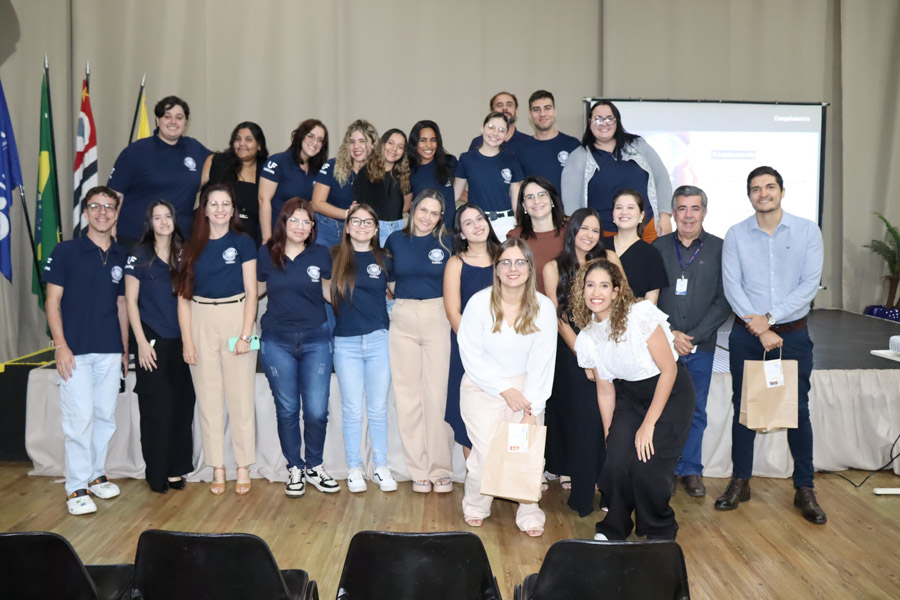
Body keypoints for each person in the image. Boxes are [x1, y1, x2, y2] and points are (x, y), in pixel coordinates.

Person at [717, 166, 826, 524]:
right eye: (756, 188)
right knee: (744, 407)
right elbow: (732, 287)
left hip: (792, 335)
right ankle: (741, 481)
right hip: (747, 335)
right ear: (749, 195)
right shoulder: (736, 234)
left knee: (798, 411)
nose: (763, 193)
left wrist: (771, 319)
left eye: (769, 187)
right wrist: (760, 327)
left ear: (782, 191)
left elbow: (809, 285)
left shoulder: (807, 231)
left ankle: (804, 487)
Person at [572, 259, 695, 541]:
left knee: (646, 466)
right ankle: (615, 526)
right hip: (630, 396)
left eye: (604, 285)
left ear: (616, 291)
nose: (596, 292)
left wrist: (648, 424)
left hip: (670, 392)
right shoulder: (588, 336)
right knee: (615, 462)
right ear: (582, 290)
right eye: (590, 285)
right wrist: (610, 436)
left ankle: (660, 529)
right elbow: (605, 390)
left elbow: (669, 370)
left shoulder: (640, 314)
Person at [458, 238, 558, 537]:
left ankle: (529, 511)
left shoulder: (543, 307)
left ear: (530, 268)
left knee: (524, 453)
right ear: (497, 269)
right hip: (482, 386)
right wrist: (504, 390)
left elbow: (543, 362)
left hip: (528, 389)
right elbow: (471, 355)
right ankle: (476, 505)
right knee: (486, 453)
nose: (513, 268)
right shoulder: (479, 303)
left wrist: (532, 410)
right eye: (506, 262)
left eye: (519, 262)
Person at [44, 186, 129, 515]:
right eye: (95, 206)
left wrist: (124, 350)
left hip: (109, 350)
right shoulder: (66, 251)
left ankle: (95, 475)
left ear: (116, 214)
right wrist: (61, 346)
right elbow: (52, 302)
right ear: (85, 212)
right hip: (74, 351)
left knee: (105, 416)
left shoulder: (122, 255)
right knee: (79, 419)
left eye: (109, 207)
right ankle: (76, 487)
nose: (102, 212)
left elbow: (121, 305)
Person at [176, 184, 258, 496]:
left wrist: (246, 334)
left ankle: (243, 466)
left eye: (226, 204)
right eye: (214, 204)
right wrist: (188, 340)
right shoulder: (190, 246)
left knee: (241, 398)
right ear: (205, 209)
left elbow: (252, 292)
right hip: (200, 319)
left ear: (233, 209)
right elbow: (183, 298)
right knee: (208, 399)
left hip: (237, 317)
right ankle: (217, 467)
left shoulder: (244, 242)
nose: (220, 209)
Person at [653, 185, 732, 497]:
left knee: (696, 409)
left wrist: (693, 337)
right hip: (662, 345)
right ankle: (664, 469)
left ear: (704, 212)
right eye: (682, 208)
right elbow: (647, 299)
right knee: (662, 408)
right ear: (673, 213)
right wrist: (669, 334)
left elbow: (724, 300)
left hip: (701, 346)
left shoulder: (721, 249)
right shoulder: (658, 247)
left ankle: (690, 470)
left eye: (694, 208)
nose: (688, 215)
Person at [258, 198, 339, 498]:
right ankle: (295, 466)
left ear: (312, 227)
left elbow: (330, 292)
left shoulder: (320, 254)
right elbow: (255, 291)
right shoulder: (267, 253)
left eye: (307, 222)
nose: (300, 226)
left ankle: (314, 466)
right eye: (295, 220)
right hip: (276, 341)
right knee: (288, 408)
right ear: (284, 222)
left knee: (316, 410)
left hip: (316, 339)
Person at [542, 208, 621, 516]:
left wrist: (606, 354)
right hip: (572, 352)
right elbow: (559, 319)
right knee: (584, 424)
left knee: (610, 424)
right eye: (583, 228)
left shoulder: (609, 259)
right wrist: (585, 359)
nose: (589, 235)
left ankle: (611, 489)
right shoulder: (553, 267)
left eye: (595, 230)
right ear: (572, 230)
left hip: (608, 348)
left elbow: (623, 302)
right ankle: (582, 495)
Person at [124, 200, 195, 494]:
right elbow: (130, 302)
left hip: (183, 342)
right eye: (157, 217)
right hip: (152, 342)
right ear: (149, 223)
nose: (164, 222)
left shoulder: (184, 253)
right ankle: (157, 473)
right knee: (158, 409)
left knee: (182, 407)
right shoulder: (139, 255)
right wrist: (140, 342)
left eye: (168, 216)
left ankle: (176, 469)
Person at [326, 204, 398, 494]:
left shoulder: (384, 258)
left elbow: (397, 293)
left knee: (378, 408)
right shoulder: (334, 256)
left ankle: (380, 466)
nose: (362, 226)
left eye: (368, 222)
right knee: (353, 408)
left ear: (376, 228)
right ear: (347, 227)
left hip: (379, 341)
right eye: (356, 221)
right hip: (346, 343)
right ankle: (354, 468)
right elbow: (324, 290)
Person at [385, 190, 454, 493]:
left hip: (438, 314)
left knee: (437, 396)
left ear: (441, 217)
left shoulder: (448, 243)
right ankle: (418, 469)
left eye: (434, 213)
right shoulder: (395, 240)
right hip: (403, 316)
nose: (427, 217)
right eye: (423, 210)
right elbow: (388, 281)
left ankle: (441, 468)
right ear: (412, 209)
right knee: (408, 397)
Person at [560, 100, 672, 241]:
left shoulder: (638, 145)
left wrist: (665, 215)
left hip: (648, 228)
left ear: (617, 121)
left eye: (609, 118)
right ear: (589, 122)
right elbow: (571, 204)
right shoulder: (578, 156)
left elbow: (661, 177)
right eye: (598, 119)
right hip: (604, 234)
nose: (604, 123)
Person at [108, 96, 210, 248]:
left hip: (179, 240)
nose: (173, 122)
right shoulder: (136, 151)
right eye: (167, 116)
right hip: (136, 238)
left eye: (179, 117)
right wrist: (111, 229)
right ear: (157, 120)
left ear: (185, 122)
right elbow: (115, 194)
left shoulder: (195, 148)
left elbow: (219, 163)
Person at [443, 205, 501, 457]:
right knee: (468, 413)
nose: (477, 225)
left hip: (506, 349)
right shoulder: (456, 263)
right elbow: (453, 312)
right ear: (461, 233)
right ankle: (474, 475)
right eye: (468, 223)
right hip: (468, 350)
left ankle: (502, 474)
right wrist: (475, 348)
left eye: (480, 218)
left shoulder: (505, 257)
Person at [454, 112, 524, 239]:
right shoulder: (466, 159)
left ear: (506, 135)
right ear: (482, 128)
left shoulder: (511, 161)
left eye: (501, 130)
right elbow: (455, 194)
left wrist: (521, 226)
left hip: (506, 224)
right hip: (477, 224)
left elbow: (516, 201)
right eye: (491, 127)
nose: (495, 133)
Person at [311, 119, 379, 249]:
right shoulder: (332, 166)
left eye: (362, 141)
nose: (356, 146)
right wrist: (348, 213)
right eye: (352, 142)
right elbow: (316, 203)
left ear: (373, 144)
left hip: (359, 232)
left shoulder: (378, 172)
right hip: (327, 229)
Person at [259, 119, 329, 243]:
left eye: (320, 140)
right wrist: (267, 239)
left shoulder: (318, 170)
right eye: (310, 136)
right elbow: (263, 200)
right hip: (276, 234)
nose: (315, 142)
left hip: (300, 237)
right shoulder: (277, 162)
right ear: (300, 136)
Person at [201, 122, 269, 246]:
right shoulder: (216, 162)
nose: (242, 144)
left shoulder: (266, 171)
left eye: (248, 139)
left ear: (259, 145)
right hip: (212, 235)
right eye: (238, 139)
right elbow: (190, 189)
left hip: (250, 240)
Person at [602, 189, 668, 303]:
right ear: (612, 214)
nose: (624, 212)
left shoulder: (651, 254)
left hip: (634, 314)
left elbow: (651, 303)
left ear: (641, 215)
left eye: (630, 207)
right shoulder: (600, 246)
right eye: (619, 207)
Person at [506, 175, 567, 294]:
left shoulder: (572, 229)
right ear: (524, 205)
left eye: (542, 195)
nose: (537, 201)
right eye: (530, 197)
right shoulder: (515, 238)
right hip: (534, 304)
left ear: (552, 200)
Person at [353, 129, 412, 247]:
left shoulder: (405, 174)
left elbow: (406, 205)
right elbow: (359, 204)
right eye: (391, 143)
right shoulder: (366, 172)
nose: (394, 149)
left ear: (403, 151)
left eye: (400, 147)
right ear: (382, 144)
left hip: (397, 229)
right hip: (373, 228)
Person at [514, 90, 580, 193]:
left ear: (555, 111)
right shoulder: (520, 150)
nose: (542, 114)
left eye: (547, 108)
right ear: (530, 114)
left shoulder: (573, 145)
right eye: (536, 109)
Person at [408, 120, 457, 230]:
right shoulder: (408, 170)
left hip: (450, 232)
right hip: (423, 231)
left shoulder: (449, 162)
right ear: (415, 143)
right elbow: (406, 205)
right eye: (423, 140)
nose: (429, 145)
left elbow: (457, 190)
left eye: (433, 140)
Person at [467, 91, 532, 153]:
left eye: (509, 105)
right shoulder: (478, 142)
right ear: (492, 112)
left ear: (516, 111)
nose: (505, 108)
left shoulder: (529, 143)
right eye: (499, 105)